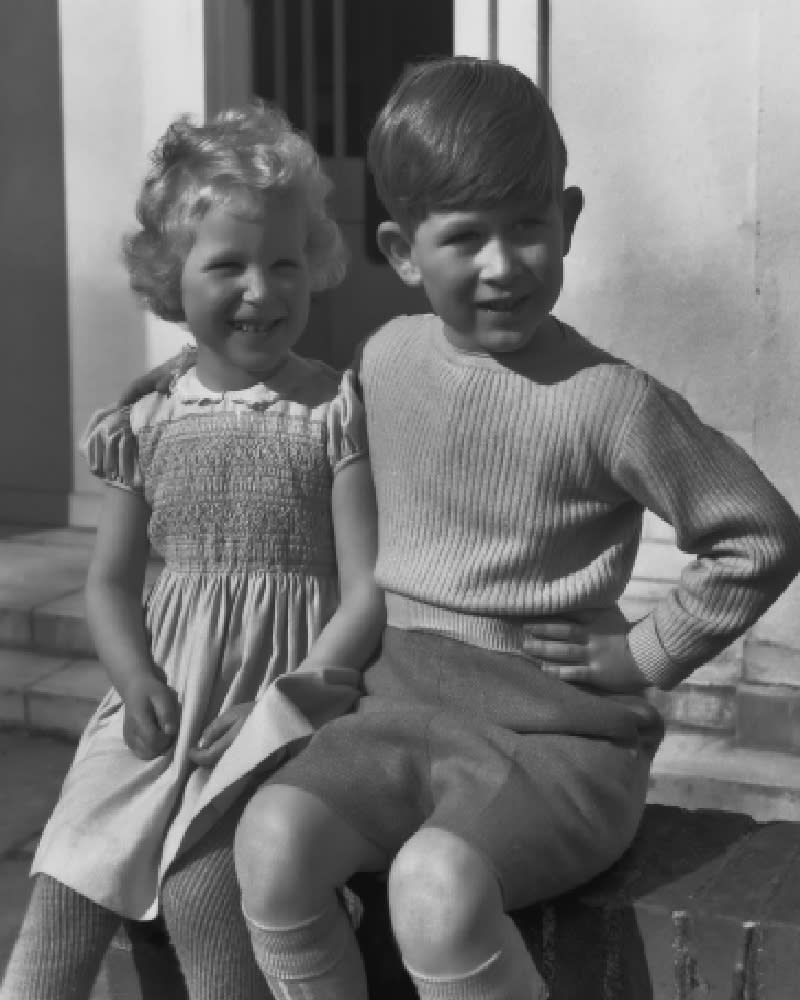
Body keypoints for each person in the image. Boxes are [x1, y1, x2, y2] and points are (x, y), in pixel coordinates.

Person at [221, 56, 800, 1000]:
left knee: (435, 889)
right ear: (403, 251)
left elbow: (761, 534)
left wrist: (648, 651)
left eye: (528, 227)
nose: (502, 266)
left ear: (567, 221)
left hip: (554, 743)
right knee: (271, 841)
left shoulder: (610, 402)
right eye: (464, 237)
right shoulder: (386, 356)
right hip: (397, 712)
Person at [0, 104, 384, 1000]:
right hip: (167, 690)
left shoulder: (335, 413)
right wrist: (134, 679)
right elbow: (108, 583)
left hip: (284, 702)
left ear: (315, 264)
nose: (262, 289)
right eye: (228, 265)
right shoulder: (145, 423)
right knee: (71, 862)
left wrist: (286, 705)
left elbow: (365, 590)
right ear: (173, 277)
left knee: (202, 887)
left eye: (285, 262)